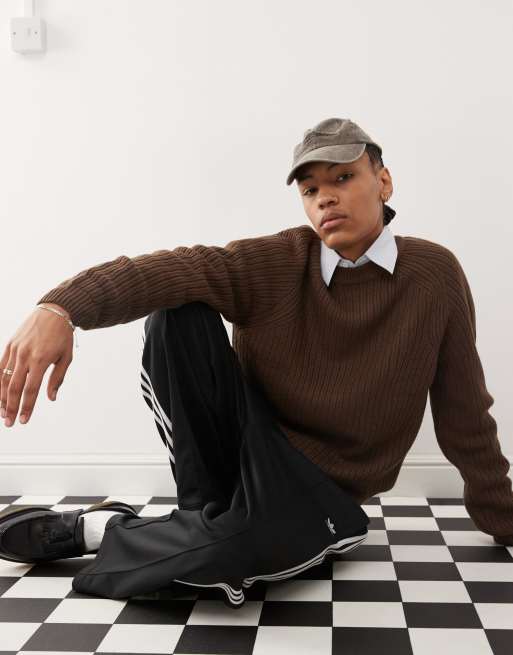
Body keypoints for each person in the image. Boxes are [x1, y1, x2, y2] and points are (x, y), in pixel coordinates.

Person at [1, 118, 512, 605]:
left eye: (342, 177)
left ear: (383, 182)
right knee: (178, 310)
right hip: (242, 454)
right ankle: (203, 518)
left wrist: (504, 517)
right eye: (310, 189)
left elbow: (464, 410)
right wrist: (61, 308)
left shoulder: (434, 275)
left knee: (230, 551)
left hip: (323, 495)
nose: (325, 197)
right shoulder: (279, 260)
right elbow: (174, 265)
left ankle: (102, 529)